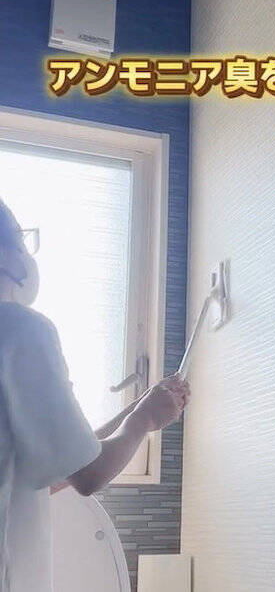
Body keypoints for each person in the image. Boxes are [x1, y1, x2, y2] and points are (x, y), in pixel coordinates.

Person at [0, 199, 190, 591]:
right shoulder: (20, 329)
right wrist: (144, 420)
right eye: (19, 238)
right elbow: (88, 475)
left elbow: (59, 467)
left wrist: (139, 407)